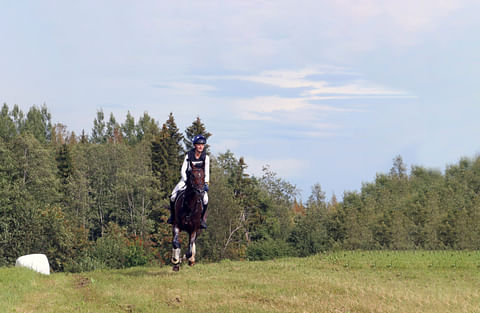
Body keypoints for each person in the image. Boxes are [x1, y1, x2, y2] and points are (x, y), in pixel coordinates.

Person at [168, 135, 210, 229]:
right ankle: (173, 217)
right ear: (195, 145)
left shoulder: (206, 157)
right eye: (199, 144)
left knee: (205, 199)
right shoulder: (189, 155)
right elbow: (183, 170)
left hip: (199, 183)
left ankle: (201, 220)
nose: (201, 147)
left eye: (202, 145)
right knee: (173, 196)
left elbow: (206, 172)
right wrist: (186, 180)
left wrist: (206, 183)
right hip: (187, 180)